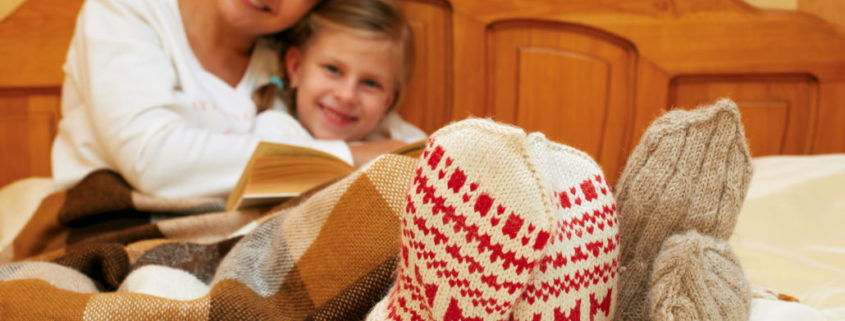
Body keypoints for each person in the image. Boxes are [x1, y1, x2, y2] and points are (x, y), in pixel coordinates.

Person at [50, 0, 422, 199]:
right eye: (336, 72)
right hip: (111, 219)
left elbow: (403, 142)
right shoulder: (124, 10)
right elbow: (152, 159)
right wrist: (349, 156)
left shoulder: (295, 51)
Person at [252, 0, 424, 167]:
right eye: (333, 70)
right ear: (297, 68)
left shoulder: (404, 143)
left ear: (388, 101)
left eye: (370, 83)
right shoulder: (272, 132)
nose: (346, 96)